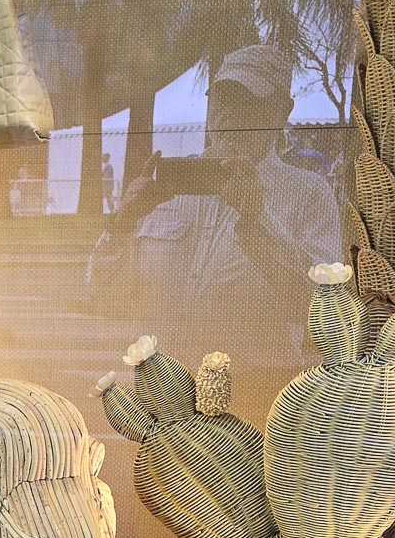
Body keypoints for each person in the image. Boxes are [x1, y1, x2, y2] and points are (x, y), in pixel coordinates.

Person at [91, 44, 342, 407]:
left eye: (248, 102)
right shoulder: (169, 188)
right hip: (165, 391)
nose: (230, 114)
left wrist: (257, 220)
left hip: (256, 391)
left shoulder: (307, 193)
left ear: (282, 111)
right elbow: (103, 294)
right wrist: (122, 223)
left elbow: (322, 311)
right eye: (222, 99)